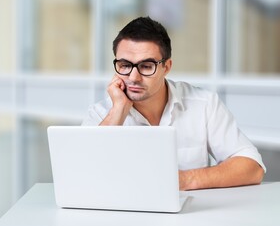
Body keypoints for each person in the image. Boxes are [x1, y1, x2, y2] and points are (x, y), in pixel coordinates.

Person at [81, 16, 266, 191]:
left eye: (146, 66)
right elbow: (82, 173)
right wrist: (119, 110)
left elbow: (252, 167)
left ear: (166, 67)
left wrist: (184, 179)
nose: (133, 77)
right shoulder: (101, 114)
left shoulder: (204, 104)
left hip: (193, 216)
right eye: (124, 65)